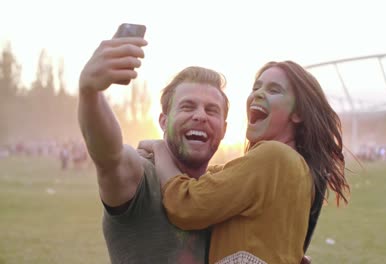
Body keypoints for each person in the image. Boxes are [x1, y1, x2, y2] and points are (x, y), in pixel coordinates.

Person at [144, 60, 350, 264]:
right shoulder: (297, 166)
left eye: (274, 90)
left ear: (298, 113)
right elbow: (217, 177)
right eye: (256, 87)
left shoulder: (273, 156)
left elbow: (186, 207)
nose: (258, 94)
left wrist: (160, 150)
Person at [77, 34, 230, 263]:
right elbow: (110, 155)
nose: (200, 116)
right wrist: (90, 94)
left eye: (211, 110)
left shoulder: (225, 190)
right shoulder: (141, 178)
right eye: (187, 107)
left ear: (224, 129)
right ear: (162, 121)